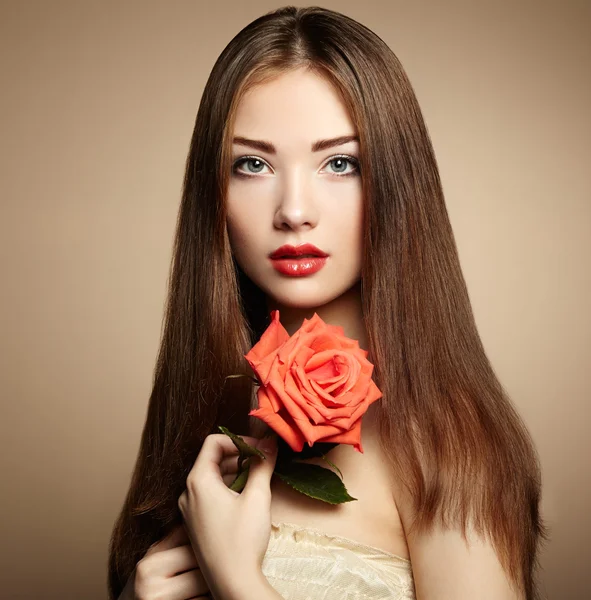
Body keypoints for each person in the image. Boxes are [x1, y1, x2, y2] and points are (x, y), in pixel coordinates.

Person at [108, 5, 549, 599]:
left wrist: (236, 579)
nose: (294, 211)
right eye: (253, 164)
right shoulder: (208, 411)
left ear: (395, 183)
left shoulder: (445, 440)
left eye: (340, 163)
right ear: (213, 191)